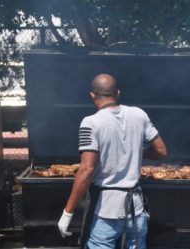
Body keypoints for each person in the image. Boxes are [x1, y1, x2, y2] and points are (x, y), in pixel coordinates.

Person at [58, 73, 167, 249]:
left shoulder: (91, 122)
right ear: (118, 93)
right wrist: (136, 151)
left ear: (92, 96)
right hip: (136, 210)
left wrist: (67, 212)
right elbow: (161, 151)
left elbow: (86, 169)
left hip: (107, 212)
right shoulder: (139, 114)